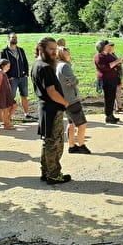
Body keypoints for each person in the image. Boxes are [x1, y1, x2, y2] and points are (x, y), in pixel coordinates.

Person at [31, 37, 71, 185]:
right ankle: (54, 174)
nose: (55, 52)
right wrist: (65, 102)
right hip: (52, 110)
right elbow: (51, 91)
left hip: (45, 109)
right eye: (51, 49)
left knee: (47, 141)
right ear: (41, 49)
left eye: (56, 49)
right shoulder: (45, 67)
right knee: (55, 143)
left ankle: (46, 172)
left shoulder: (37, 64)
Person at [56, 46, 91, 154]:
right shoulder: (65, 66)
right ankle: (81, 145)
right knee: (82, 124)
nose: (69, 53)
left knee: (71, 123)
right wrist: (75, 81)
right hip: (71, 99)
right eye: (66, 52)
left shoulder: (58, 65)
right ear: (62, 54)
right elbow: (74, 80)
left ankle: (72, 146)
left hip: (65, 99)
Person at [0, 33, 36, 121]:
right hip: (12, 79)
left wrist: (26, 73)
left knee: (24, 95)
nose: (15, 39)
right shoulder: (4, 51)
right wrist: (8, 76)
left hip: (23, 77)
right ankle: (7, 117)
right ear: (8, 39)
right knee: (10, 98)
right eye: (13, 38)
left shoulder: (21, 50)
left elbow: (25, 61)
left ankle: (27, 114)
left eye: (16, 38)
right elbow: (0, 65)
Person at [94, 40, 123, 124]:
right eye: (107, 45)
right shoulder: (99, 56)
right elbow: (105, 68)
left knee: (112, 97)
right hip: (107, 80)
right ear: (103, 47)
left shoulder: (107, 54)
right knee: (109, 98)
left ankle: (111, 115)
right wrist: (117, 62)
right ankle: (108, 116)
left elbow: (113, 64)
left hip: (113, 79)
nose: (109, 46)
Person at [0, 59, 17, 130]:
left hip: (7, 93)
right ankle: (6, 124)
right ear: (2, 66)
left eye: (9, 66)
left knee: (14, 105)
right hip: (1, 94)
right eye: (7, 66)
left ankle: (6, 120)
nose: (9, 68)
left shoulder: (3, 73)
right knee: (5, 109)